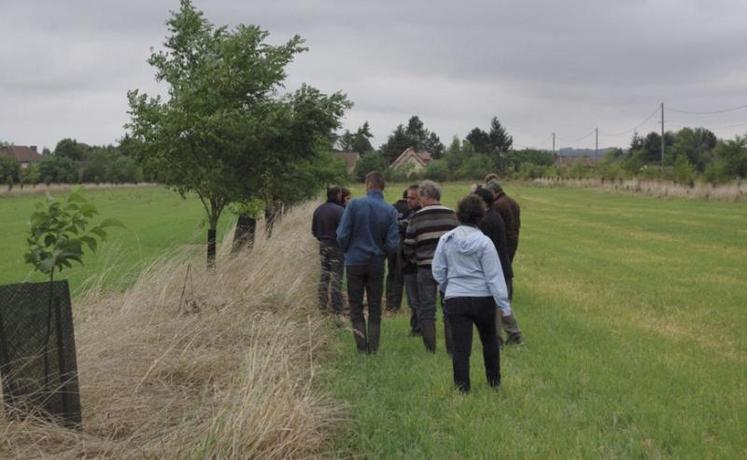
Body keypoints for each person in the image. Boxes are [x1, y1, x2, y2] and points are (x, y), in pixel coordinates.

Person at [432, 194, 512, 393]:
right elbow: (494, 276)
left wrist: (445, 287)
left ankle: (462, 388)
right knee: (490, 342)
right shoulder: (485, 243)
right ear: (480, 216)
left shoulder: (446, 240)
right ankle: (494, 382)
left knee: (461, 347)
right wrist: (503, 305)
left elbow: (438, 270)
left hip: (455, 298)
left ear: (458, 215)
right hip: (483, 299)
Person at [337, 171, 400, 354]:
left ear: (367, 184)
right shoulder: (390, 210)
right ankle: (374, 347)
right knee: (374, 305)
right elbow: (393, 243)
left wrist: (348, 249)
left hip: (354, 261)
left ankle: (361, 347)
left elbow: (342, 235)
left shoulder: (354, 204)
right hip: (376, 262)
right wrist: (382, 254)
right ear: (382, 186)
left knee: (355, 305)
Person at [403, 180, 458, 353]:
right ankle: (451, 348)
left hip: (425, 268)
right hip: (448, 268)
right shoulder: (452, 215)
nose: (419, 201)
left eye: (420, 197)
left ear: (427, 197)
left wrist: (417, 260)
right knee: (449, 308)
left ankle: (430, 348)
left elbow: (408, 245)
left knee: (427, 309)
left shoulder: (416, 218)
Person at [484, 180, 523, 345]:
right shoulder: (512, 202)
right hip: (510, 245)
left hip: (501, 251)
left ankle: (498, 338)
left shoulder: (496, 209)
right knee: (502, 299)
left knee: (497, 302)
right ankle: (513, 335)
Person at [473, 187, 513, 346]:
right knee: (502, 304)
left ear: (483, 202)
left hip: (495, 269)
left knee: (495, 306)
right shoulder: (493, 216)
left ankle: (497, 340)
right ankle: (514, 334)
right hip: (501, 267)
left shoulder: (486, 221)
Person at [311, 186, 345, 315]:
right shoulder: (340, 211)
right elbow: (344, 232)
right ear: (337, 195)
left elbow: (313, 231)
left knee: (324, 276)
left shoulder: (319, 210)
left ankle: (322, 305)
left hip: (323, 245)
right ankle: (336, 307)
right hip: (336, 246)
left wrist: (322, 238)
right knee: (337, 277)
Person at [400, 185, 422, 335]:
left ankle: (421, 328)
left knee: (416, 300)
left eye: (412, 198)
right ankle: (415, 327)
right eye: (407, 197)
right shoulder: (411, 213)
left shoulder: (418, 216)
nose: (408, 200)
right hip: (408, 263)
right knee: (412, 300)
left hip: (414, 264)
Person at [385, 190, 410, 312]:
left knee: (390, 274)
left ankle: (388, 303)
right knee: (399, 276)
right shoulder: (411, 209)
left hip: (391, 243)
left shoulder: (391, 207)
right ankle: (395, 305)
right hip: (404, 243)